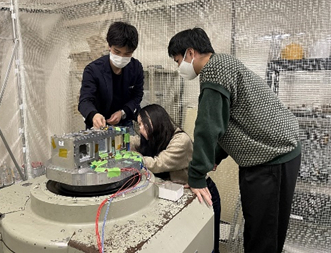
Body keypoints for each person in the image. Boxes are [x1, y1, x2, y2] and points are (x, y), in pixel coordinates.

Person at [168, 28, 301, 253]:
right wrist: (215, 157)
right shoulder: (225, 63)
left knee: (262, 237)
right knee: (268, 230)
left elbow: (208, 126)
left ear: (191, 53)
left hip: (270, 159)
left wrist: (197, 175)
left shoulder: (213, 71)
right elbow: (229, 120)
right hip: (278, 154)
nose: (179, 67)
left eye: (178, 60)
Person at [131, 104, 221, 253]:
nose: (140, 129)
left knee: (209, 245)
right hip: (182, 196)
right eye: (138, 124)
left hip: (202, 194)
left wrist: (133, 157)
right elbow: (134, 141)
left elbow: (157, 164)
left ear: (154, 122)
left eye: (142, 124)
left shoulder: (181, 140)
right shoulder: (155, 138)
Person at [78, 21, 144, 131]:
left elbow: (137, 96)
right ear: (109, 46)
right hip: (99, 125)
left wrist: (123, 112)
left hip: (124, 122)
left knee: (128, 147)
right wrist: (94, 115)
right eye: (117, 52)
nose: (121, 57)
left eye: (127, 54)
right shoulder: (93, 70)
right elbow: (85, 100)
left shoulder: (136, 68)